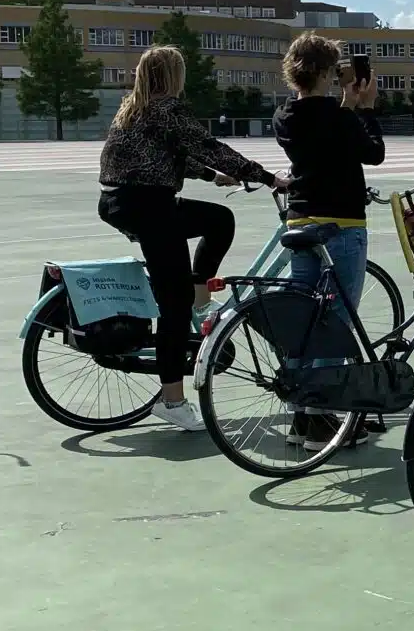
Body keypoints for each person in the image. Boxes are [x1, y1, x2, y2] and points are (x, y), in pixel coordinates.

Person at [97, 44, 280, 432]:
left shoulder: (133, 107)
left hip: (122, 202)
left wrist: (215, 177)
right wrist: (267, 177)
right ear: (174, 76)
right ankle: (173, 401)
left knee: (218, 219)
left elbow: (173, 155)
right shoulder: (167, 109)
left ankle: (199, 299)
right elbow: (208, 146)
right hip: (150, 207)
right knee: (174, 306)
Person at [272, 32, 385, 447]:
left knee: (303, 318)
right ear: (324, 73)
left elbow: (322, 135)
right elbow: (373, 152)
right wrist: (365, 108)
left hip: (300, 221)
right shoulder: (340, 119)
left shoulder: (284, 116)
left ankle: (301, 414)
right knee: (335, 321)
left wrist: (347, 107)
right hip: (342, 223)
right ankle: (321, 418)